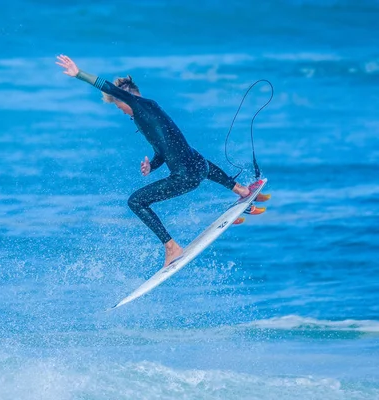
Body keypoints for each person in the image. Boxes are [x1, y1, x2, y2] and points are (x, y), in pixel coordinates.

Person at [56, 54, 259, 268]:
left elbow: (107, 87)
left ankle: (171, 247)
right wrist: (151, 166)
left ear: (125, 99)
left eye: (119, 107)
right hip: (202, 167)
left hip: (186, 177)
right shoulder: (151, 113)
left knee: (135, 201)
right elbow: (164, 152)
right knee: (192, 155)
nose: (122, 112)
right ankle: (240, 190)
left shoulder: (138, 105)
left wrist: (78, 74)